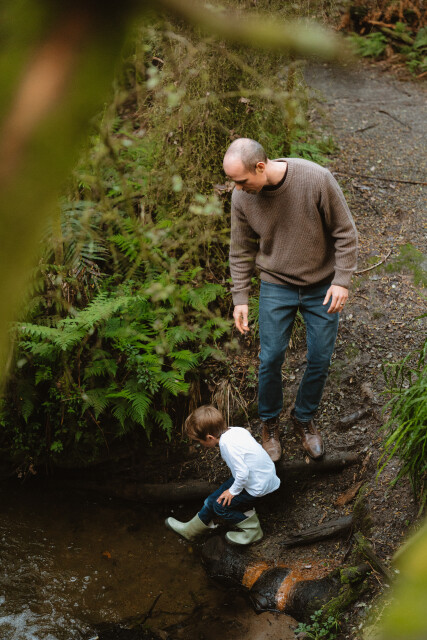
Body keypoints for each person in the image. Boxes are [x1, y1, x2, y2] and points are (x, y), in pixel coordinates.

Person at [224, 138, 358, 462]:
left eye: (241, 180)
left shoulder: (316, 179)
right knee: (270, 358)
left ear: (260, 166)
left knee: (321, 357)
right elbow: (240, 249)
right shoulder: (241, 197)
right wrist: (240, 297)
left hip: (321, 284)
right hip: (276, 283)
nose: (237, 188)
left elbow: (346, 232)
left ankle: (303, 417)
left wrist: (341, 280)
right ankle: (269, 423)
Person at [165, 405, 280, 545]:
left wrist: (232, 492)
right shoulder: (236, 430)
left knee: (220, 507)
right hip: (261, 475)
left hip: (257, 484)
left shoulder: (227, 445)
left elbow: (243, 473)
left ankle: (253, 531)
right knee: (212, 499)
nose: (200, 444)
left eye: (199, 441)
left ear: (210, 437)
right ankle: (190, 530)